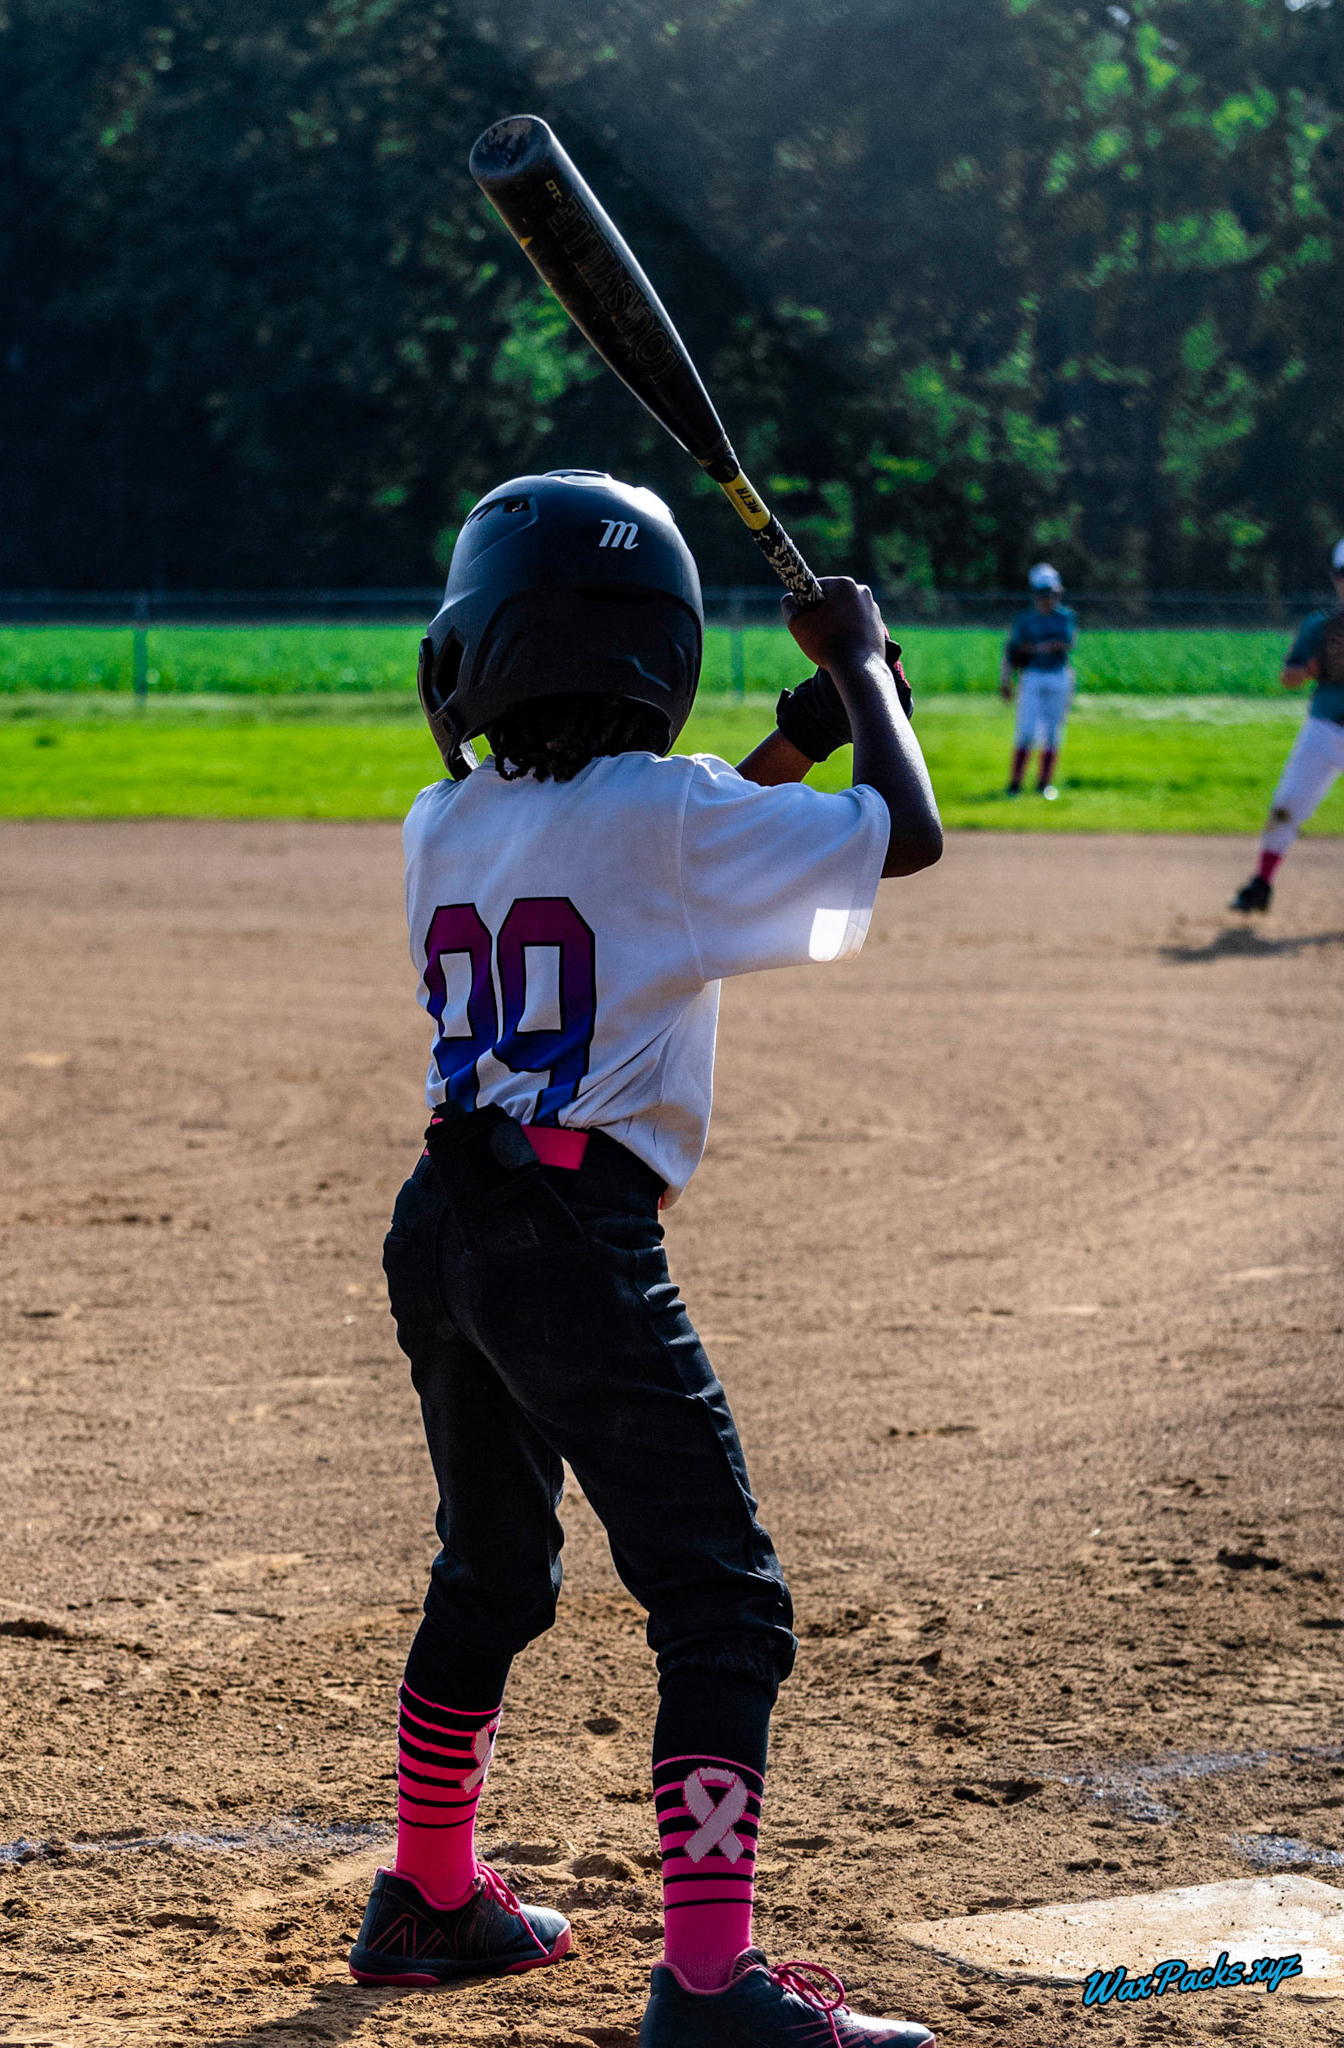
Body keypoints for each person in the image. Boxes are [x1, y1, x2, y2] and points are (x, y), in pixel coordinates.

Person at [346, 468, 942, 2048]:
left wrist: (799, 738)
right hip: (571, 1242)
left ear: (475, 648)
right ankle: (706, 1987)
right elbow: (907, 839)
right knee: (722, 1601)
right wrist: (866, 668)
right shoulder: (672, 816)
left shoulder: (446, 821)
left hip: (449, 1227)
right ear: (653, 650)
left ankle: (427, 1893)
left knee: (491, 1571)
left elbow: (640, 873)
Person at [1229, 538, 1344, 913]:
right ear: (1334, 577)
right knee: (1286, 805)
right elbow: (1287, 676)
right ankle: (1261, 884)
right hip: (1324, 728)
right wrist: (1310, 670)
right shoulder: (1319, 626)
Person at [1000, 563, 1078, 799]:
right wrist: (1006, 680)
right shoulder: (1025, 620)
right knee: (1025, 731)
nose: (1048, 598)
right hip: (1032, 677)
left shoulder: (1065, 617)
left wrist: (1036, 647)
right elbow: (1013, 651)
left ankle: (1044, 784)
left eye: (1051, 593)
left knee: (1053, 733)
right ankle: (1015, 784)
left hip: (1058, 676)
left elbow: (1066, 643)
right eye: (1044, 593)